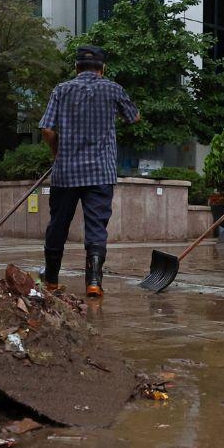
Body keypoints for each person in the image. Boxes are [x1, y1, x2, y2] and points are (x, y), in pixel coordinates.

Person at [39, 45, 140, 297]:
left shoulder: (61, 90)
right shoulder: (113, 89)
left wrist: (57, 153)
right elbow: (134, 117)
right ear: (103, 69)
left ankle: (51, 280)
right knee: (96, 227)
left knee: (58, 225)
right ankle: (93, 282)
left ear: (76, 67)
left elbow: (47, 130)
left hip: (66, 172)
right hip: (100, 173)